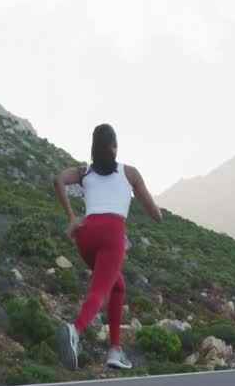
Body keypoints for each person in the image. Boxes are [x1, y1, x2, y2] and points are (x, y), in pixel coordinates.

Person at [51, 123, 163, 371]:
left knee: (117, 285)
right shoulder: (130, 173)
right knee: (100, 291)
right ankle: (75, 329)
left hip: (85, 235)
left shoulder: (84, 172)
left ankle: (115, 350)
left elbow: (58, 180)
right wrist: (156, 213)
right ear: (114, 147)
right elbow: (155, 215)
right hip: (111, 234)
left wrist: (72, 218)